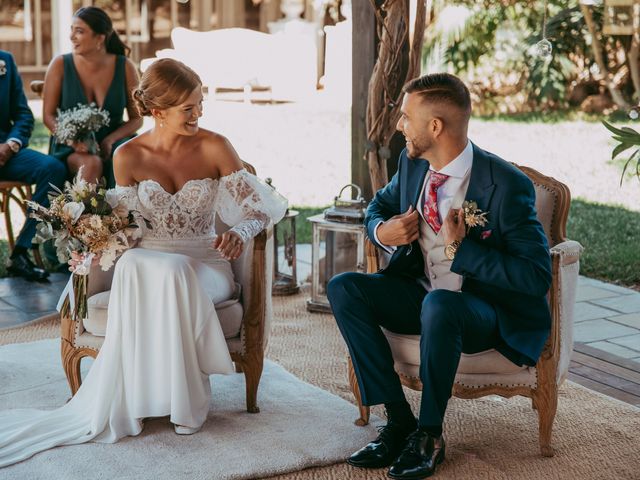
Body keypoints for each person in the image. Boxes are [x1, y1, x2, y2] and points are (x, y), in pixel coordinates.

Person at [0, 58, 287, 467]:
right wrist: (93, 239)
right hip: (150, 260)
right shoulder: (127, 155)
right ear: (157, 112)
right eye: (188, 108)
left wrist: (238, 233)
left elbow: (259, 209)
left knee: (171, 271)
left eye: (200, 104)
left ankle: (186, 401)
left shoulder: (215, 146)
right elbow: (129, 227)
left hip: (207, 262)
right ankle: (161, 397)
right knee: (142, 265)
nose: (199, 114)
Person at [327, 73, 552, 479]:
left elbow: (536, 277)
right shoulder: (412, 165)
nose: (399, 125)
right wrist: (382, 230)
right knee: (344, 288)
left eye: (405, 117)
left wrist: (461, 250)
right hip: (423, 294)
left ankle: (430, 435)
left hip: (481, 312)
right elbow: (379, 206)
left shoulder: (506, 186)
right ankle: (399, 422)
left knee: (442, 304)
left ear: (435, 126)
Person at [43, 6, 142, 187]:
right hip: (70, 145)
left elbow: (137, 119)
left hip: (116, 142)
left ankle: (125, 214)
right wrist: (74, 142)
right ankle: (85, 216)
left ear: (100, 38)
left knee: (124, 157)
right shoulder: (59, 65)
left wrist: (110, 140)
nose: (72, 37)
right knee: (92, 163)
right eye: (71, 30)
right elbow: (48, 116)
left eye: (79, 31)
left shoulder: (125, 66)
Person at [0, 50, 67, 281]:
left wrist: (11, 144)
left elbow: (22, 115)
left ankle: (20, 252)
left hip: (6, 153)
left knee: (54, 168)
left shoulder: (5, 60)